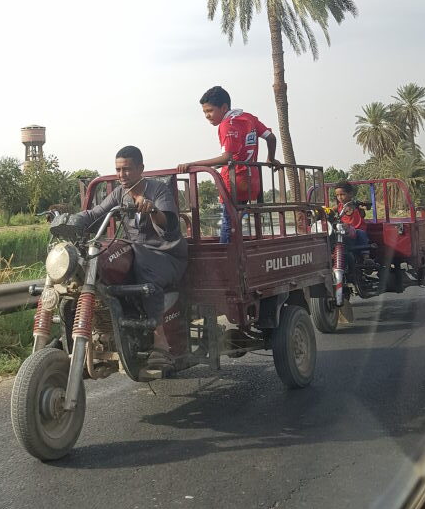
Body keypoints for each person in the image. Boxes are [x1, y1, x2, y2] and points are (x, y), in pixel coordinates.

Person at [73, 146, 188, 361]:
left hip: (166, 253)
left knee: (143, 267)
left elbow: (170, 226)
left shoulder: (158, 190)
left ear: (141, 168)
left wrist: (153, 210)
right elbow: (95, 214)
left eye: (126, 169)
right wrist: (72, 220)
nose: (121, 175)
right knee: (99, 262)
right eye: (118, 169)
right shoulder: (119, 193)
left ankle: (159, 339)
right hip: (138, 250)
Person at [177, 86, 281, 243]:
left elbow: (227, 157)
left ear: (224, 107)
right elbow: (271, 138)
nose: (207, 116)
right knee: (236, 221)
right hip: (252, 181)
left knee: (228, 223)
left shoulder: (226, 124)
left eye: (210, 111)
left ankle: (226, 259)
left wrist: (192, 164)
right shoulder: (248, 118)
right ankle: (238, 254)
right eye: (205, 112)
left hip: (234, 182)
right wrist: (271, 159)